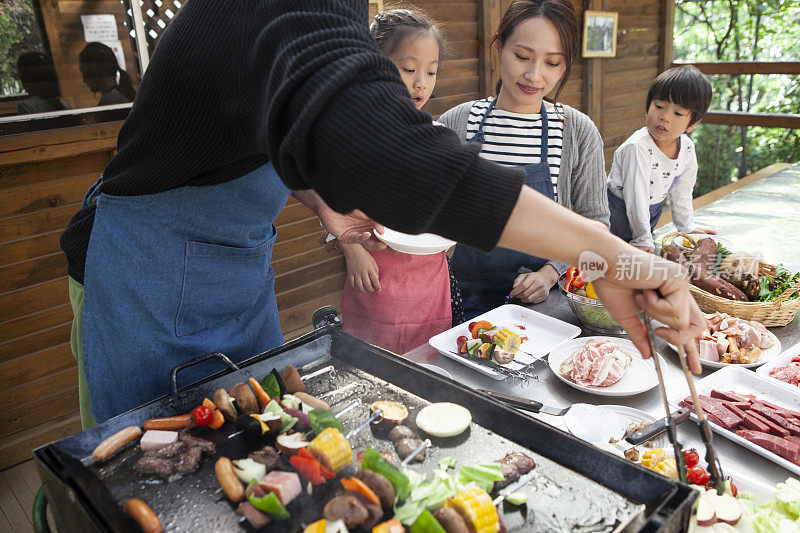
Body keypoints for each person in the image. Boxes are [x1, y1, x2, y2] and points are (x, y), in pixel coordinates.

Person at [60, 0, 705, 426]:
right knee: (149, 461)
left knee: (253, 440)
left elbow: (263, 130)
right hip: (146, 271)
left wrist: (323, 200)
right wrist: (611, 254)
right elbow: (402, 158)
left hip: (236, 265)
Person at [438, 0, 609, 319]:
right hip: (461, 299)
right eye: (522, 56)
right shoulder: (457, 123)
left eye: (553, 63)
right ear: (498, 48)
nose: (534, 75)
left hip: (542, 308)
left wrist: (550, 273)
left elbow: (596, 226)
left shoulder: (577, 131)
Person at [336, 8, 453, 354]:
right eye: (408, 69)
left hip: (430, 276)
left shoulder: (437, 135)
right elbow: (331, 195)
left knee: (428, 365)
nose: (421, 82)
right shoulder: (354, 135)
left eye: (431, 72)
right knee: (375, 365)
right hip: (376, 271)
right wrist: (352, 250)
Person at [607, 65, 716, 253]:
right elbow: (636, 197)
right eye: (659, 106)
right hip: (615, 216)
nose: (664, 117)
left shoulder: (687, 148)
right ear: (648, 106)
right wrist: (642, 238)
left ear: (693, 123)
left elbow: (683, 191)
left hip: (649, 213)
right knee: (611, 262)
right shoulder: (637, 147)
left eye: (678, 113)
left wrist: (686, 227)